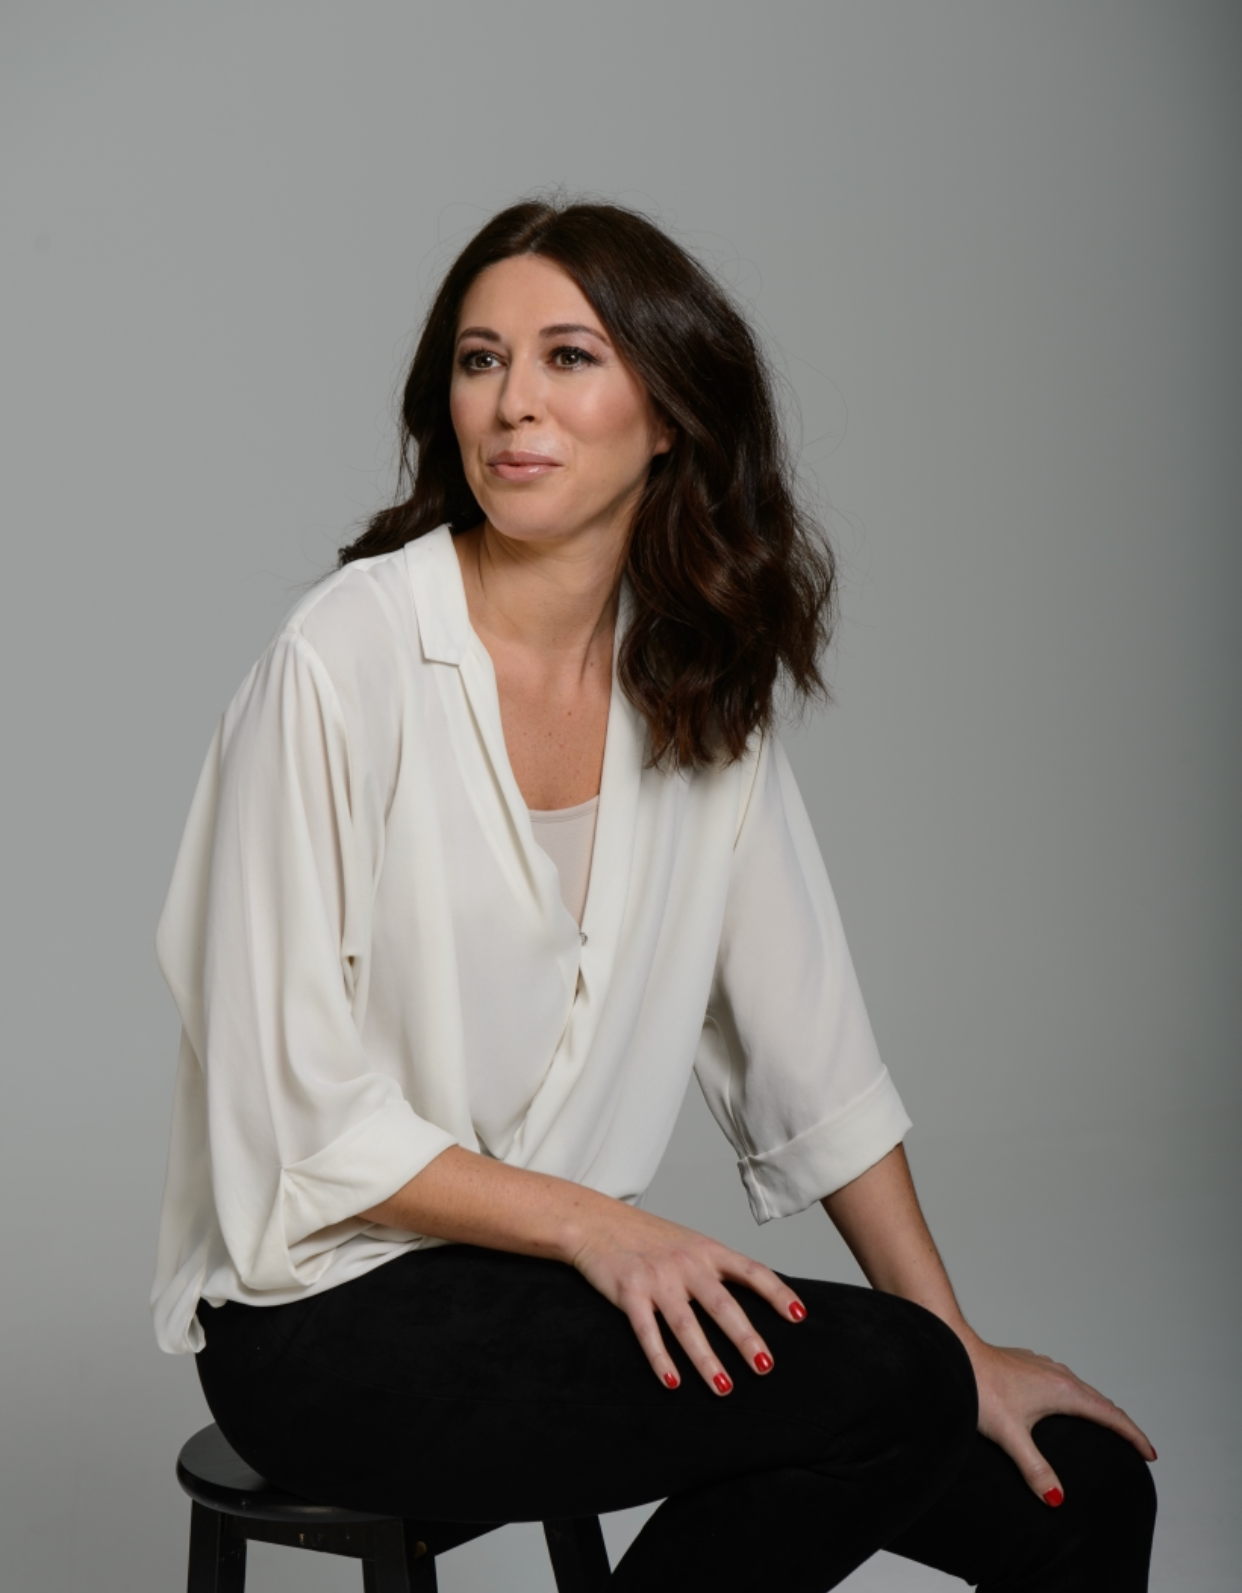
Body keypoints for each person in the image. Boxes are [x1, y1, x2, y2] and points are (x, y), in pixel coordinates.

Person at [151, 198, 1157, 1590]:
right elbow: (294, 1118)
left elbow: (816, 1067)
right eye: (477, 359)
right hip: (321, 1321)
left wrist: (962, 1347)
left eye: (568, 357)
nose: (512, 404)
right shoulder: (346, 663)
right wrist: (604, 1229)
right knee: (883, 1383)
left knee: (1076, 1490)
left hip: (549, 1297)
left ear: (670, 413)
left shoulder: (691, 691)